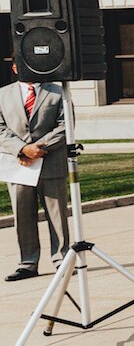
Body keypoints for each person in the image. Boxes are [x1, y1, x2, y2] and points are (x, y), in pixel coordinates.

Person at [0, 69, 70, 282]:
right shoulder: (3, 94)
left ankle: (61, 260)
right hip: (18, 164)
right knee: (23, 215)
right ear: (14, 67)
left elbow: (65, 125)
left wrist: (38, 148)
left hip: (50, 161)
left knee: (57, 215)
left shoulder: (58, 93)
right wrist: (22, 149)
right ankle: (28, 263)